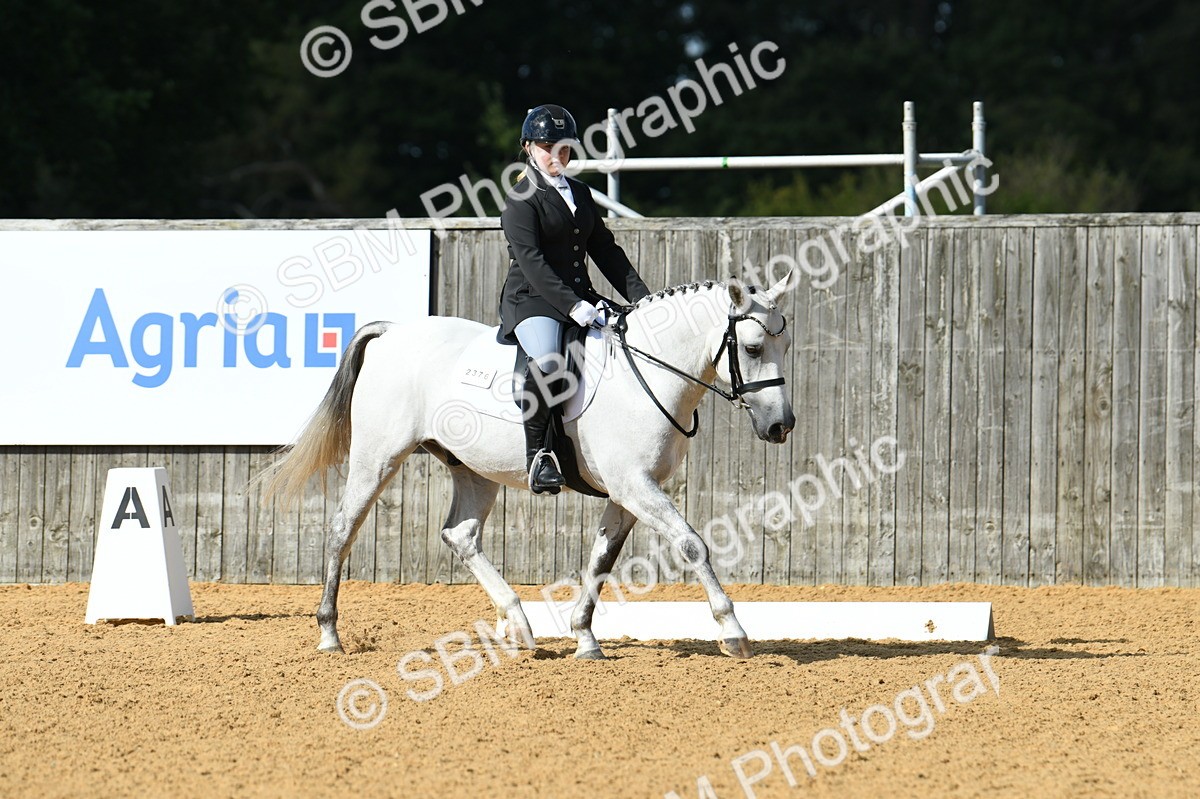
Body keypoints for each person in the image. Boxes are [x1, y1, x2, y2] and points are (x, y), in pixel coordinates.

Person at [499, 104, 651, 494]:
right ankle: (539, 457)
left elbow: (606, 251)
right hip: (532, 300)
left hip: (580, 297)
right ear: (529, 147)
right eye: (548, 147)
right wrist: (572, 305)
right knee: (549, 361)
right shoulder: (521, 198)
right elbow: (532, 263)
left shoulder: (581, 193)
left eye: (565, 148)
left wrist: (645, 300)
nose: (558, 156)